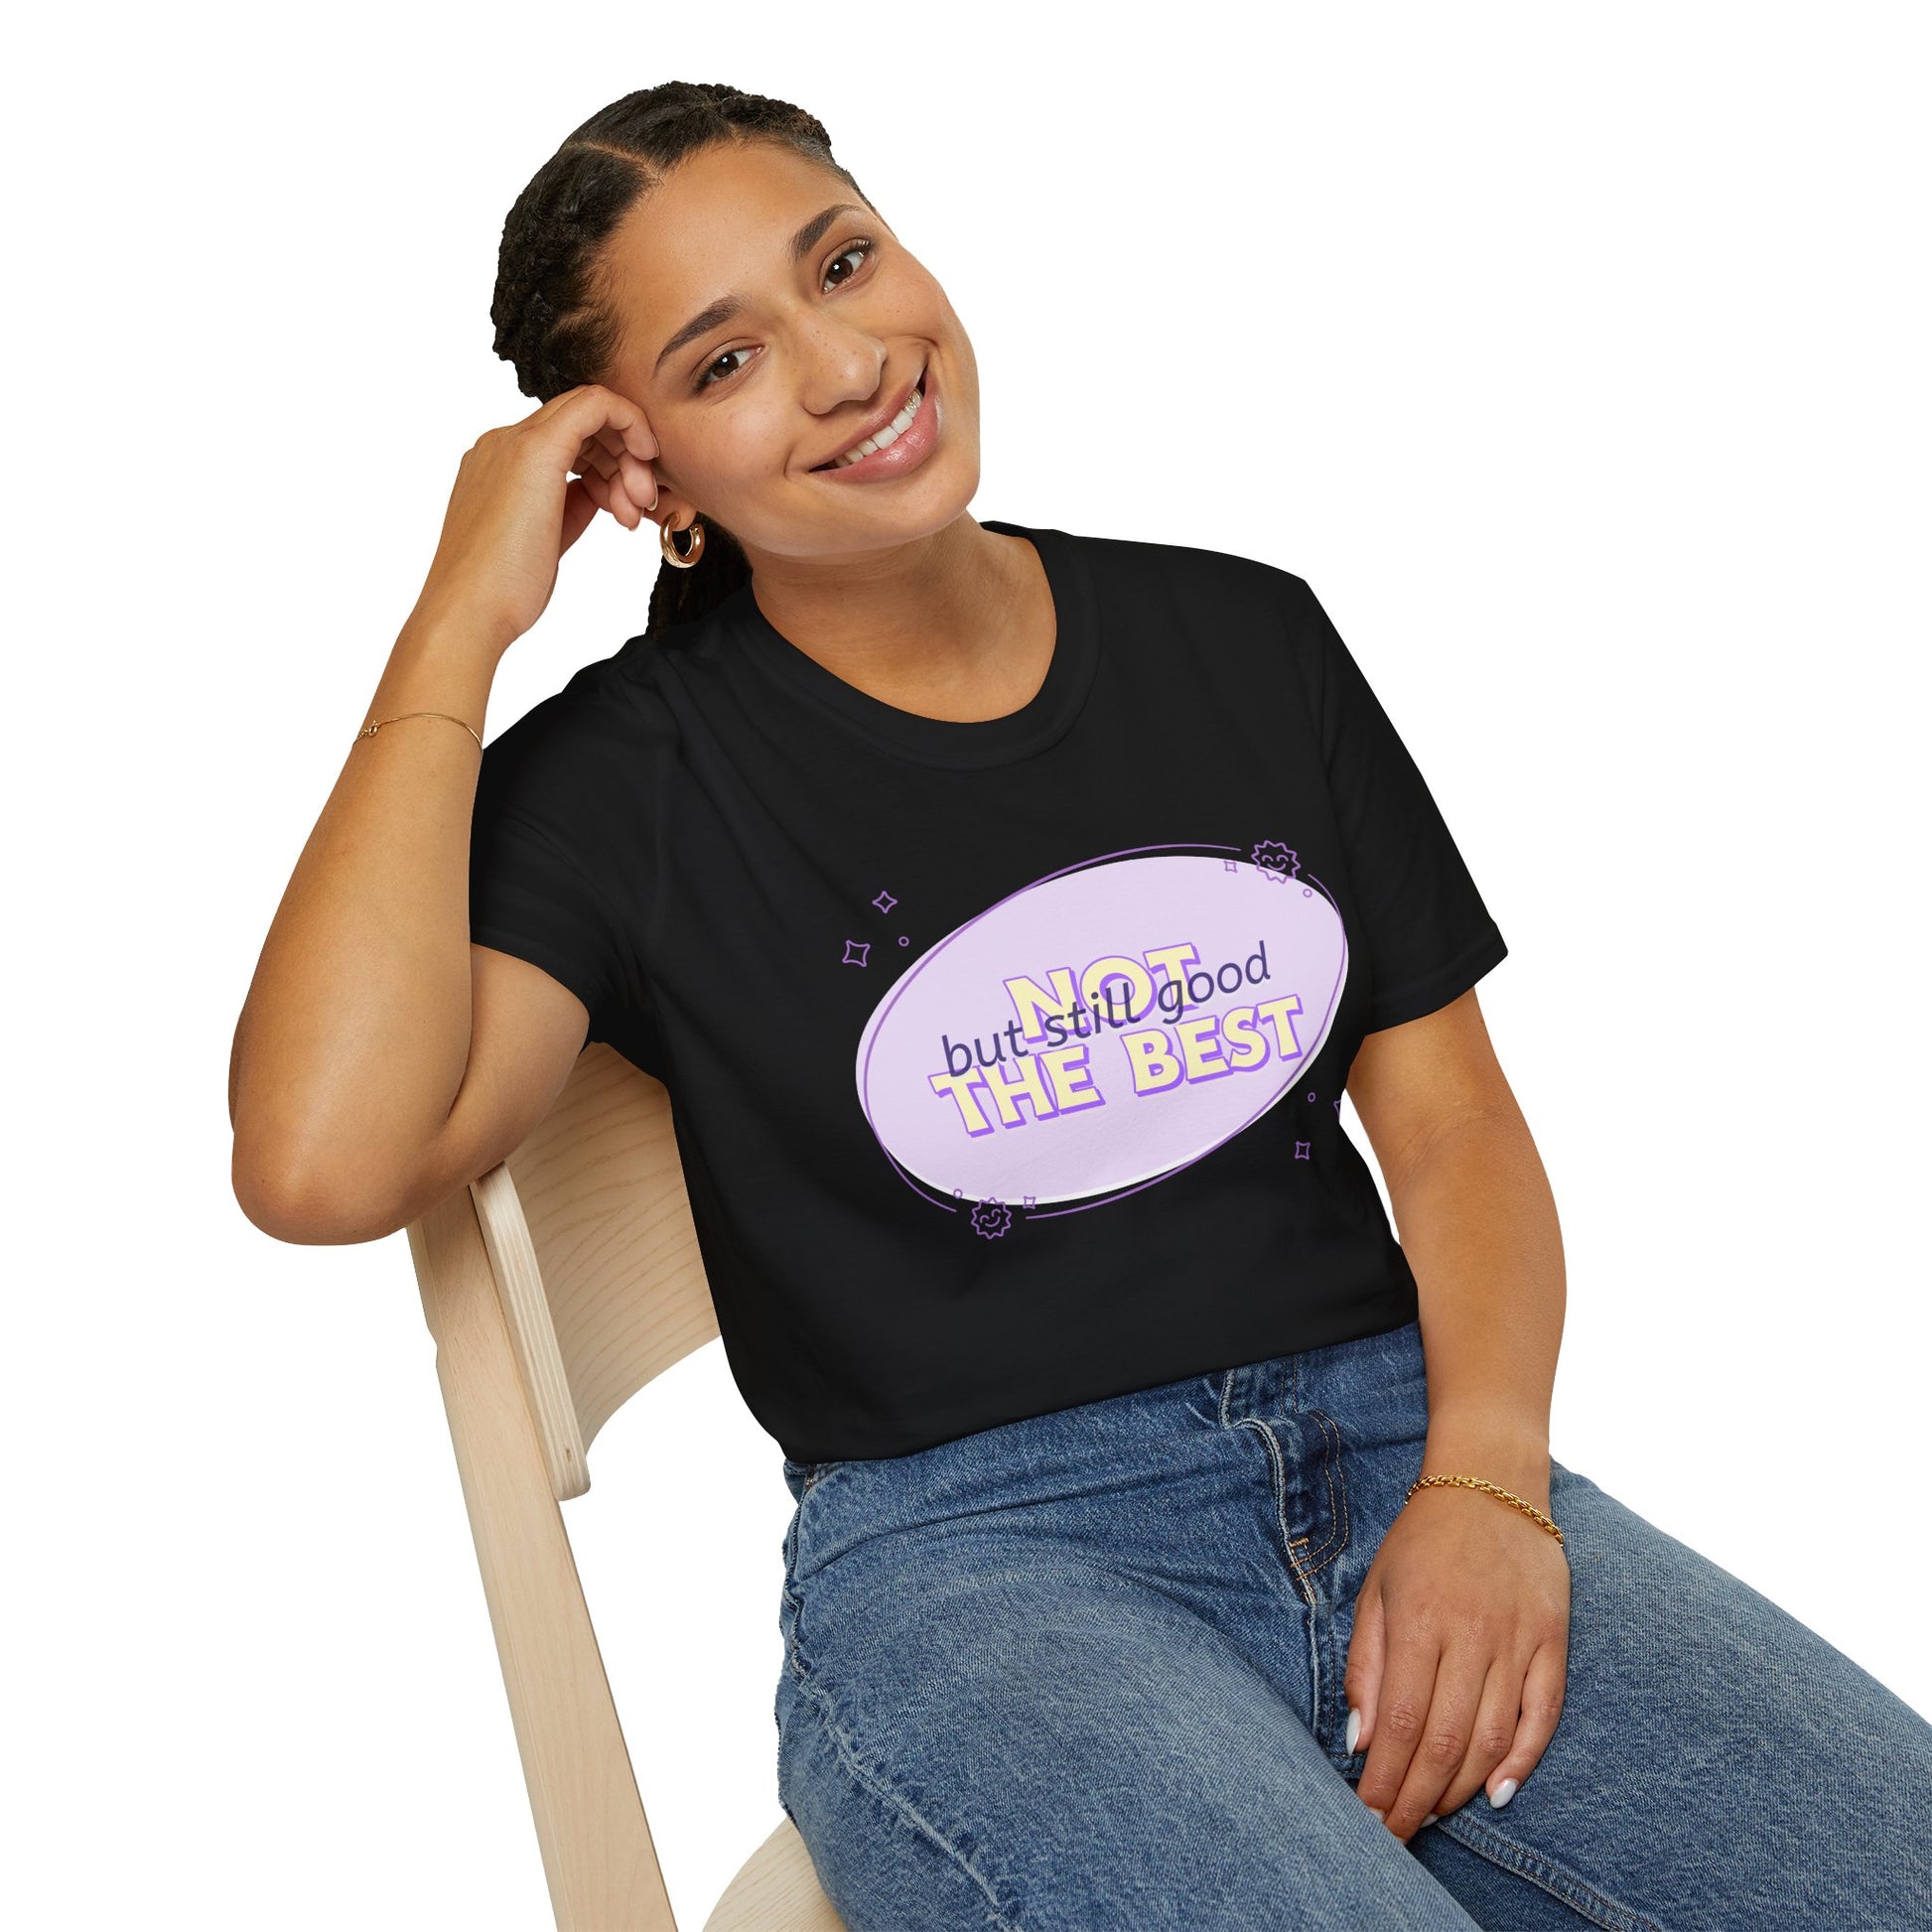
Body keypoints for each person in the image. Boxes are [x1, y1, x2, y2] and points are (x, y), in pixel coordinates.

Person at [228, 80, 1932, 1931]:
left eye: (843, 264)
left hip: (1405, 1447)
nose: (847, 365)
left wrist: (1488, 1483)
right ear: (650, 481)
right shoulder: (629, 781)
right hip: (982, 1566)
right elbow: (320, 1161)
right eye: (725, 361)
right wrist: (458, 619)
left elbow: (1452, 1129)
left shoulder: (1244, 639)